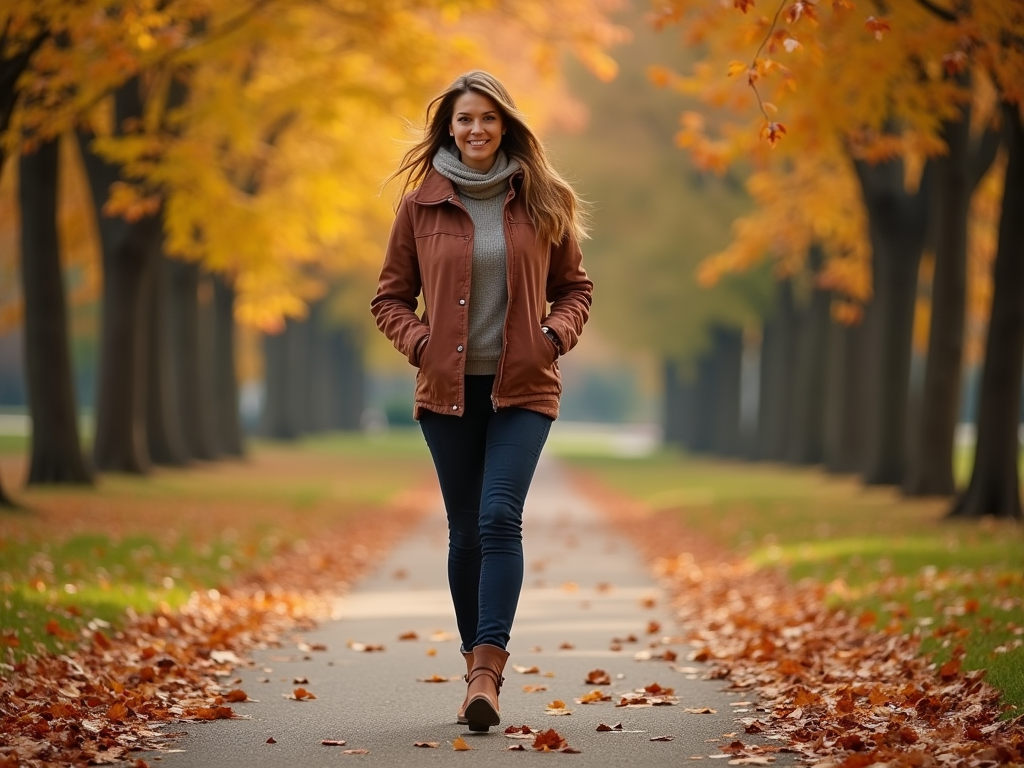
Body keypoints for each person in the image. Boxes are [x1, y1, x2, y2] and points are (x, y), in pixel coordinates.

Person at [370, 70, 593, 732]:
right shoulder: (419, 207)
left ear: (506, 126)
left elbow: (575, 287)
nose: (477, 129)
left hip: (523, 387)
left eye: (489, 119)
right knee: (465, 529)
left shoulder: (544, 198)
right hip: (447, 393)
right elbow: (388, 297)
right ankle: (476, 661)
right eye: (465, 119)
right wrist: (420, 344)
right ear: (450, 127)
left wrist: (555, 334)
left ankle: (486, 673)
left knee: (500, 518)